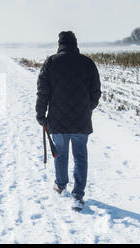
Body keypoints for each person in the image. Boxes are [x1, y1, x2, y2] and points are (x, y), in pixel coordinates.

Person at [35, 31, 101, 209]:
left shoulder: (51, 62)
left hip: (57, 120)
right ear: (75, 43)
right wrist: (87, 109)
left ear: (60, 43)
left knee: (61, 154)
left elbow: (43, 92)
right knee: (80, 156)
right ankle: (78, 194)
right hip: (82, 121)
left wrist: (41, 115)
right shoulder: (88, 63)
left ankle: (61, 184)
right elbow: (96, 93)